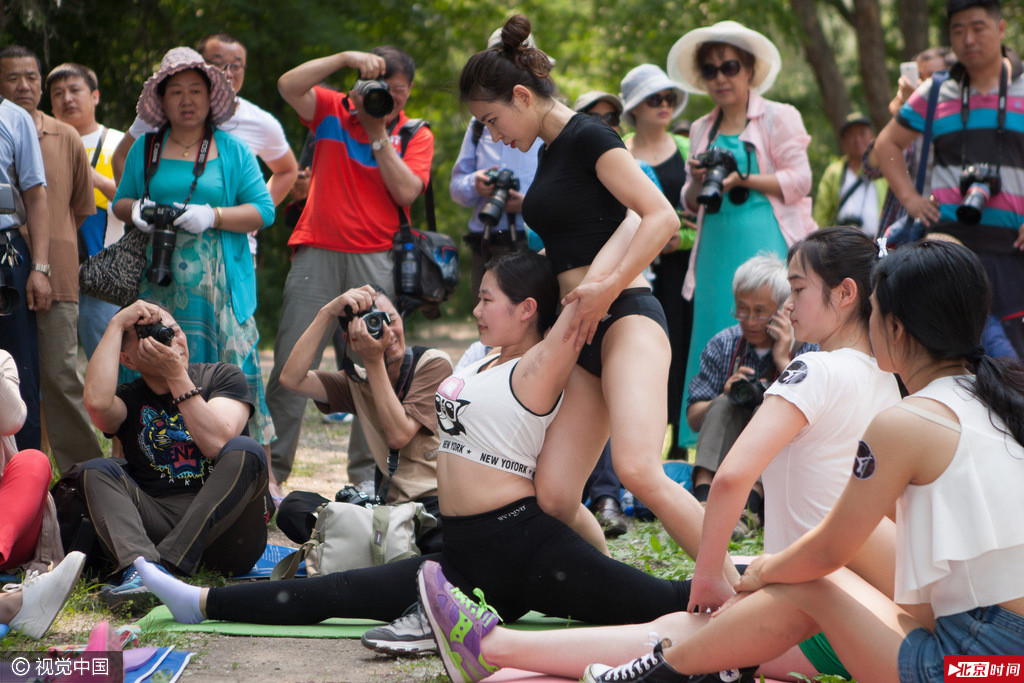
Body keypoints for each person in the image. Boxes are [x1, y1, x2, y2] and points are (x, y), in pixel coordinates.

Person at [132, 253, 697, 670]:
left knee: (664, 601)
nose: (473, 308)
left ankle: (754, 596)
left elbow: (595, 287)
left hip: (525, 549)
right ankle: (201, 601)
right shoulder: (481, 361)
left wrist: (631, 226)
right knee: (342, 593)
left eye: (485, 299)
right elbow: (294, 378)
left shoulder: (547, 363)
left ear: (527, 309)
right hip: (465, 554)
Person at [421, 227, 903, 683]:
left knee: (681, 630)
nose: (788, 304)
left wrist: (711, 574)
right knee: (682, 622)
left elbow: (733, 477)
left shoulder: (816, 369)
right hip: (864, 603)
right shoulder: (888, 380)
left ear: (845, 294)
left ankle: (492, 647)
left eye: (797, 290)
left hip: (820, 614)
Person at [568, 238, 1024, 683]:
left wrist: (762, 570)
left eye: (875, 310)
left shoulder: (904, 419)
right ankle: (707, 666)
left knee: (811, 579)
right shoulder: (996, 400)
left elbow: (823, 549)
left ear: (896, 328)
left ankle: (674, 670)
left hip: (976, 667)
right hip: (1005, 657)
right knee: (831, 557)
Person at [461, 15, 725, 573]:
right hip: (579, 328)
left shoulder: (589, 135)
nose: (492, 135)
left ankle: (732, 590)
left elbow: (658, 218)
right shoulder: (550, 151)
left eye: (491, 119)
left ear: (521, 95)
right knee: (555, 494)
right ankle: (615, 589)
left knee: (637, 469)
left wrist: (604, 289)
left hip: (626, 314)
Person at [266, 45, 434, 490]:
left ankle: (368, 476)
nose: (391, 98)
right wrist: (344, 59)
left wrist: (379, 131)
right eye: (382, 89)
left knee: (376, 364)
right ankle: (272, 475)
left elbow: (406, 193)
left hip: (378, 258)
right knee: (290, 359)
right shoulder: (330, 110)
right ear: (357, 88)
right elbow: (288, 85)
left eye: (399, 91)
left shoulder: (414, 133)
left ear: (409, 92)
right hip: (316, 249)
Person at [111, 47, 276, 447]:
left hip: (217, 292)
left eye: (196, 91)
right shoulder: (145, 148)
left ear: (210, 98)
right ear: (162, 101)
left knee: (231, 371)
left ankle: (255, 473)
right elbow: (120, 200)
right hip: (154, 284)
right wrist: (138, 211)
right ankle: (139, 461)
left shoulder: (233, 150)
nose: (187, 101)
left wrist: (214, 216)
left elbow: (264, 211)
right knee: (146, 368)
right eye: (176, 92)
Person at [667, 22, 817, 454]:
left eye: (729, 66)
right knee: (718, 331)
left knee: (768, 328)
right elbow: (690, 202)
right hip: (714, 250)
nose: (720, 78)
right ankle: (712, 449)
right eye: (710, 71)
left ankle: (773, 437)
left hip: (765, 238)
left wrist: (743, 179)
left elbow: (801, 179)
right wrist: (697, 182)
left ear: (749, 69)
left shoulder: (778, 116)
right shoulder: (699, 128)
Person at [80, 299, 270, 612]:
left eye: (174, 330)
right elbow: (97, 406)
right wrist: (116, 324)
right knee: (96, 469)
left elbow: (218, 441)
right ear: (128, 360)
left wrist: (175, 374)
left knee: (246, 449)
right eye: (155, 336)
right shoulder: (130, 398)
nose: (171, 339)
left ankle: (159, 571)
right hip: (159, 522)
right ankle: (140, 570)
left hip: (230, 534)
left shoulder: (221, 377)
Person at [873, 0, 1024, 357]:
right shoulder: (937, 90)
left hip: (1013, 253)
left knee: (1013, 362)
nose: (968, 39)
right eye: (958, 31)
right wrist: (910, 199)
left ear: (1000, 30)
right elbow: (887, 143)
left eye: (978, 27)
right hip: (947, 249)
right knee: (950, 356)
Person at [274, 285, 452, 553]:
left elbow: (399, 434)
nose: (387, 331)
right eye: (373, 324)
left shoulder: (432, 364)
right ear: (351, 339)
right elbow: (291, 379)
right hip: (388, 513)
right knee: (294, 508)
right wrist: (326, 313)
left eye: (390, 319)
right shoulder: (358, 381)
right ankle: (388, 551)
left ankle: (375, 551)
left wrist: (373, 360)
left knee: (445, 537)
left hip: (435, 508)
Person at [0, 45, 101, 473]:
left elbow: (76, 207)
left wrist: (42, 259)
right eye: (12, 78)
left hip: (49, 269)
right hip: (16, 263)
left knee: (59, 377)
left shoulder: (65, 136)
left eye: (31, 77)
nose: (24, 86)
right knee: (13, 373)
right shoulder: (14, 123)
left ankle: (87, 478)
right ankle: (24, 470)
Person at [111, 33, 298, 260]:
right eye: (218, 63)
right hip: (155, 253)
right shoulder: (148, 136)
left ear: (209, 95)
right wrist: (139, 210)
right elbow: (121, 171)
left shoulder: (241, 141)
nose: (227, 72)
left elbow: (273, 194)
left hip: (227, 253)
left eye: (236, 66)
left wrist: (224, 215)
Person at [685, 254, 817, 537]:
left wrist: (783, 362)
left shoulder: (805, 347)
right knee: (721, 405)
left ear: (783, 310)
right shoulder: (723, 344)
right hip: (726, 459)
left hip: (778, 471)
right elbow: (693, 419)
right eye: (742, 310)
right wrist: (724, 392)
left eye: (760, 311)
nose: (750, 320)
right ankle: (703, 502)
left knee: (770, 409)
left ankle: (749, 510)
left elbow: (813, 412)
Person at [619, 63, 695, 455]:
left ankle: (679, 445)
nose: (664, 105)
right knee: (639, 350)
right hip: (634, 267)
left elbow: (699, 222)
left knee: (679, 346)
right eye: (654, 99)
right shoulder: (619, 151)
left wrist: (674, 239)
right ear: (634, 107)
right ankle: (639, 440)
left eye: (669, 98)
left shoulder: (686, 149)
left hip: (679, 268)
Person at [451, 28, 544, 300]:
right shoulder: (477, 123)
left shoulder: (546, 118)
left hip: (535, 240)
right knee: (488, 319)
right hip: (488, 241)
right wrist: (475, 183)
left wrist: (527, 203)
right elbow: (456, 187)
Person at [45, 62, 126, 359]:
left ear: (95, 96)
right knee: (55, 360)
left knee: (105, 354)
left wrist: (91, 178)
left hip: (104, 268)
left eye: (74, 90)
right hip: (52, 265)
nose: (67, 99)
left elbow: (136, 202)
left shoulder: (119, 143)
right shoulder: (42, 141)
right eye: (58, 93)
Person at [0, 79, 50, 454]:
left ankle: (28, 493)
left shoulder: (14, 118)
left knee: (18, 371)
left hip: (6, 255)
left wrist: (41, 267)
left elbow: (36, 195)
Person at [813, 112, 887, 237]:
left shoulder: (885, 168)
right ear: (843, 141)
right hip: (844, 245)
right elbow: (821, 213)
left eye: (862, 133)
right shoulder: (834, 173)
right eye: (851, 135)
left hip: (880, 241)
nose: (857, 139)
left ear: (872, 136)